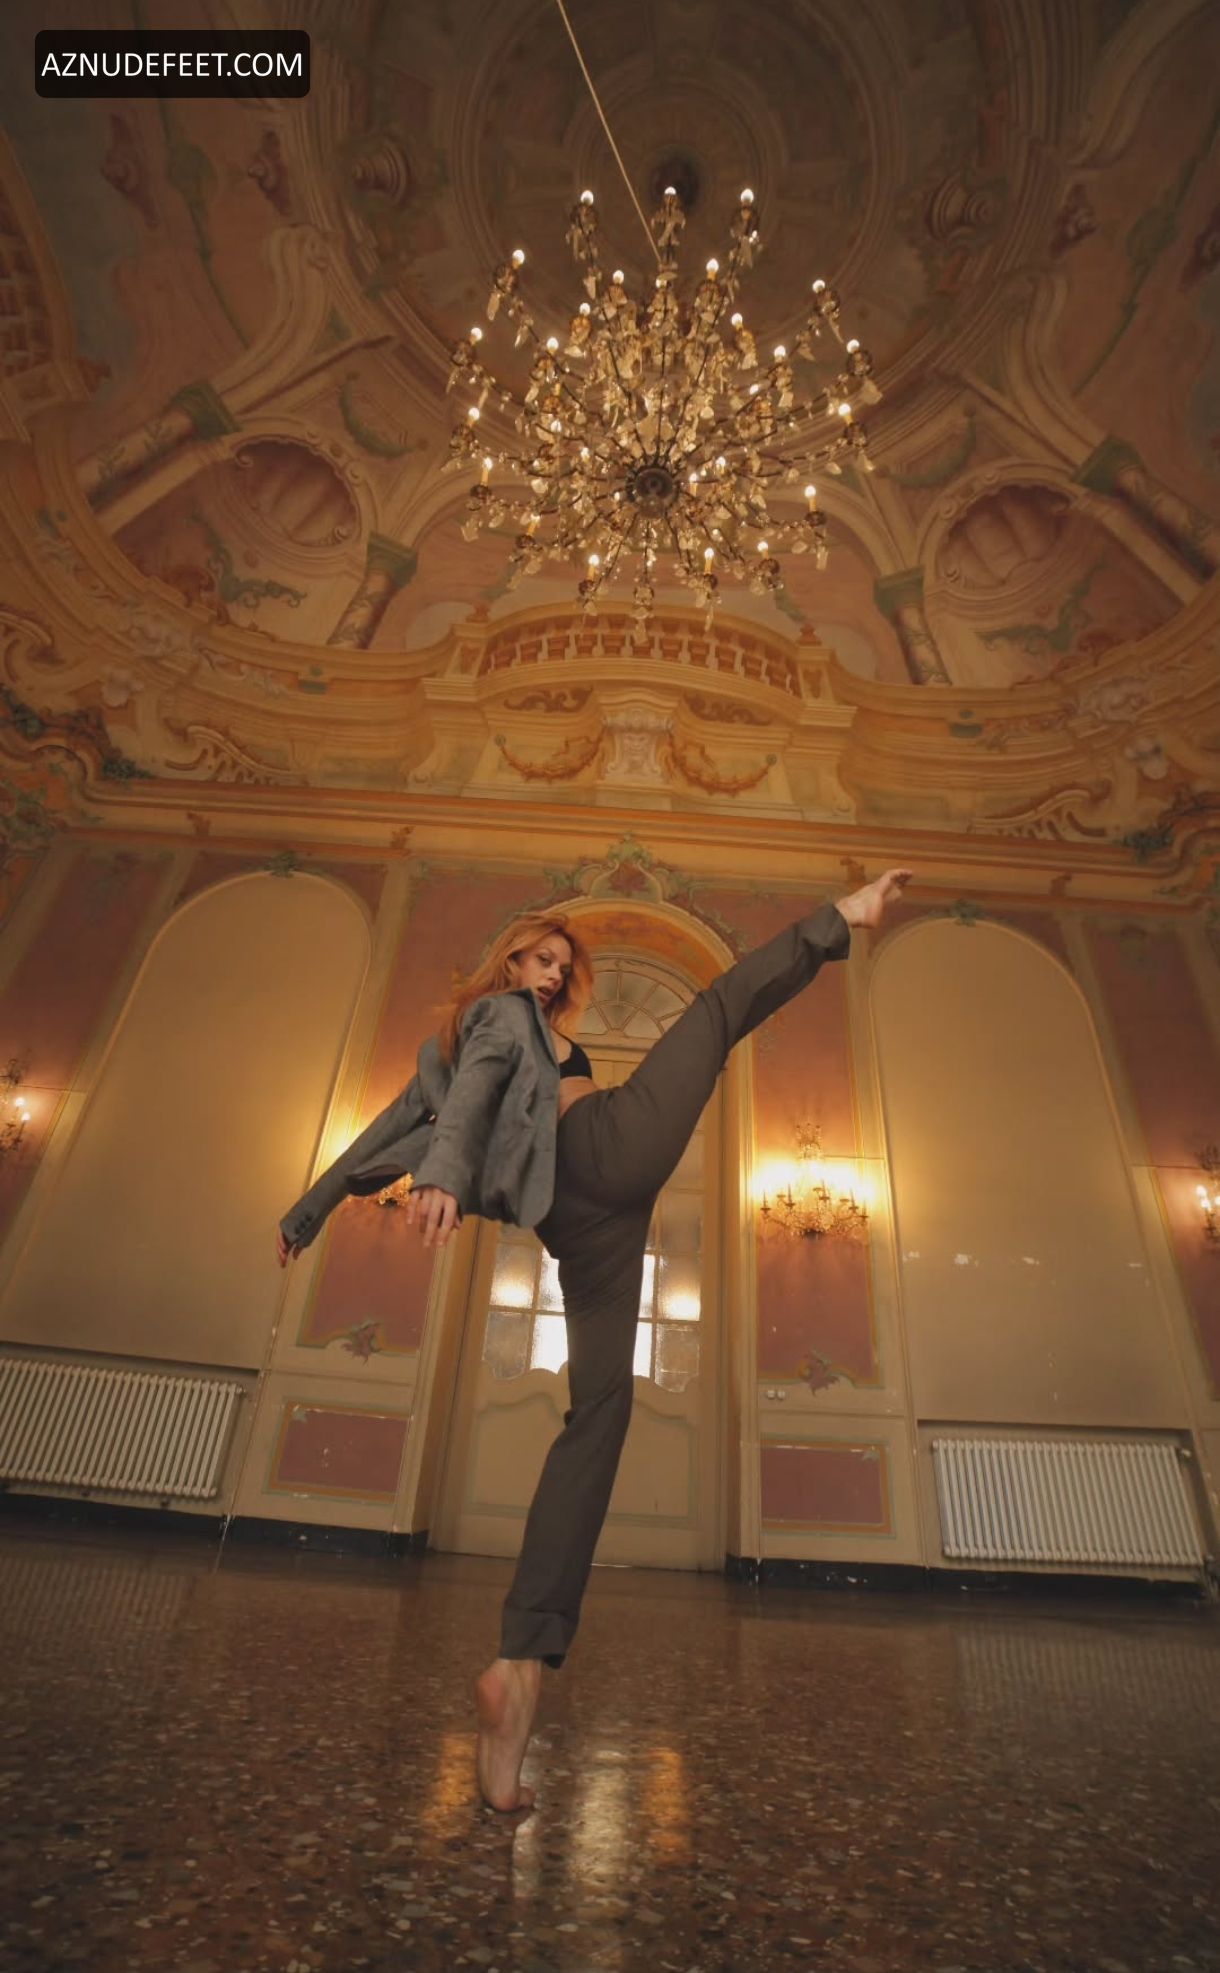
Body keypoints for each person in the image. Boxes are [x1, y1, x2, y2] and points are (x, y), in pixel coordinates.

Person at [277, 867, 912, 1811]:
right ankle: (841, 920)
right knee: (716, 1010)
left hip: (585, 1230)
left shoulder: (463, 1048)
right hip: (602, 1154)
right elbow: (476, 1089)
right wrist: (442, 1175)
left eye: (559, 964)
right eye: (537, 957)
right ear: (508, 963)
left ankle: (519, 1668)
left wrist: (308, 1212)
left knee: (600, 1415)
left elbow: (383, 1131)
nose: (549, 973)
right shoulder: (499, 1018)